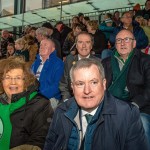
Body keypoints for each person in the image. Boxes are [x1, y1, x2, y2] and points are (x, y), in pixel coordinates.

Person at [44, 58, 149, 150]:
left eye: (93, 82)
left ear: (104, 84)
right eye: (80, 84)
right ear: (72, 87)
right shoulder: (61, 111)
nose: (87, 90)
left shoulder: (127, 115)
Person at [102, 29, 150, 144]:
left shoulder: (146, 61)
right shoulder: (105, 63)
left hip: (140, 107)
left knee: (142, 124)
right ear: (115, 44)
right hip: (111, 106)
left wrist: (134, 105)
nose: (122, 43)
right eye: (119, 40)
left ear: (134, 43)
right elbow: (100, 87)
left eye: (127, 39)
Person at [0, 56, 53, 150]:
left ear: (26, 81)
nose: (13, 82)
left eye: (18, 78)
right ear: (2, 81)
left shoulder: (40, 104)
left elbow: (40, 141)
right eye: (7, 77)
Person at [59, 32, 98, 101]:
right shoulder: (69, 60)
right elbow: (64, 84)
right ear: (76, 46)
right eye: (80, 42)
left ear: (91, 46)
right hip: (71, 99)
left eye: (87, 42)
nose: (84, 46)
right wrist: (67, 100)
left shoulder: (98, 63)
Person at [32, 39, 64, 109]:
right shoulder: (35, 63)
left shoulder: (58, 64)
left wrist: (39, 96)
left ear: (53, 49)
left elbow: (58, 85)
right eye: (41, 45)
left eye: (45, 45)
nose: (42, 47)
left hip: (50, 98)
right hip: (33, 97)